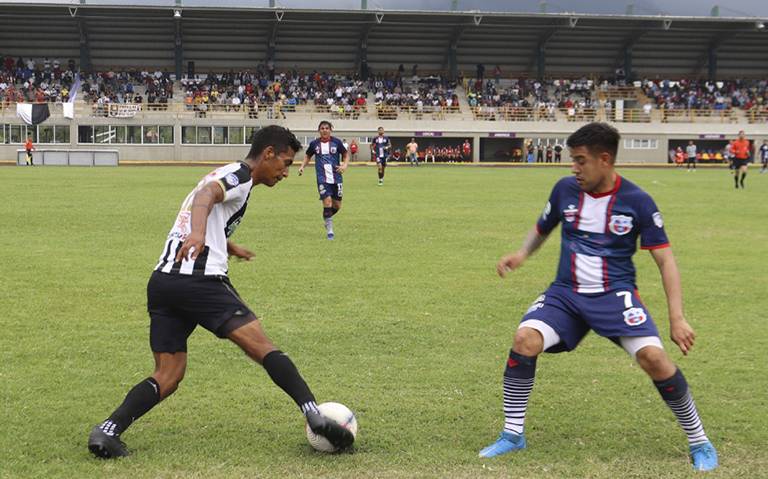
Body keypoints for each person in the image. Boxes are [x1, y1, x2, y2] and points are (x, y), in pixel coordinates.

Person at [87, 125, 353, 459]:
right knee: (262, 347)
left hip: (164, 282)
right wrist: (200, 236)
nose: (285, 172)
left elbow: (206, 209)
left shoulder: (232, 175)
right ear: (268, 153)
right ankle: (315, 415)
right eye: (284, 163)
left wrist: (227, 245)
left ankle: (108, 430)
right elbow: (206, 196)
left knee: (168, 375)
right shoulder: (240, 175)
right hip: (200, 281)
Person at [479, 122, 718, 472]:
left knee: (654, 359)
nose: (573, 168)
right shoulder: (564, 190)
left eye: (580, 160)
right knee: (524, 339)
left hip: (614, 296)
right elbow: (542, 228)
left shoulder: (637, 201)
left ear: (604, 159)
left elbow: (665, 259)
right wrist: (521, 254)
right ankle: (513, 435)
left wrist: (677, 317)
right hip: (566, 294)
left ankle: (699, 440)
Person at [298, 121, 348, 240]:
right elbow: (307, 156)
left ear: (331, 130)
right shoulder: (314, 144)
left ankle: (327, 217)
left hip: (336, 177)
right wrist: (302, 166)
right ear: (319, 130)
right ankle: (330, 231)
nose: (324, 130)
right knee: (327, 202)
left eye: (327, 128)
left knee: (337, 205)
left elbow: (346, 154)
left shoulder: (336, 142)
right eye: (322, 128)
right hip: (322, 178)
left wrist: (344, 165)